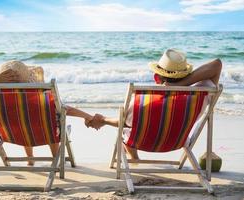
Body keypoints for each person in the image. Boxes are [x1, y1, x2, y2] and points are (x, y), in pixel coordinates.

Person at [86, 49, 222, 159]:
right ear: (184, 75)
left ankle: (134, 158)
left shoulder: (143, 101)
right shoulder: (200, 96)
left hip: (143, 143)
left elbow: (124, 121)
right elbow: (217, 64)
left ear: (156, 77)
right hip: (176, 143)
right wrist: (182, 85)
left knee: (128, 128)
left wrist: (103, 119)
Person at [0, 60, 95, 166]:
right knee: (50, 120)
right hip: (44, 133)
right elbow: (65, 108)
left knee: (21, 121)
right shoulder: (37, 96)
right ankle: (56, 158)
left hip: (13, 134)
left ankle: (30, 160)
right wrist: (87, 116)